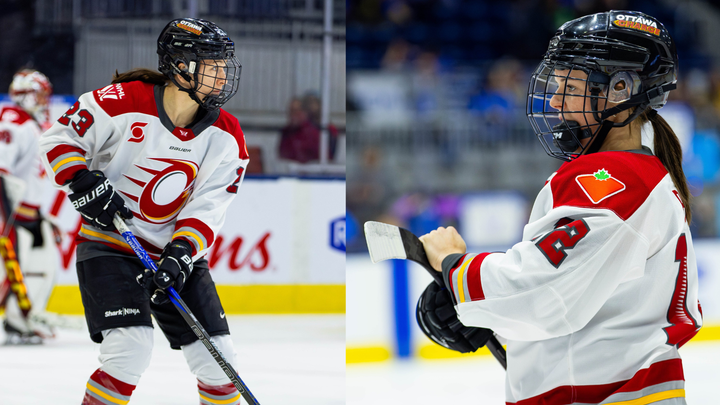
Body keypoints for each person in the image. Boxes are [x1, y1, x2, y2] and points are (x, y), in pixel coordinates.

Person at [416, 10, 702, 405]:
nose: (553, 98)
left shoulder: (615, 179)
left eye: (569, 85)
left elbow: (544, 294)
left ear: (621, 88)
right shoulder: (636, 175)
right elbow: (581, 313)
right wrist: (497, 328)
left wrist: (455, 267)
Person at [38, 18, 249, 404]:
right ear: (181, 65)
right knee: (130, 348)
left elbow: (207, 209)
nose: (222, 76)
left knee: (220, 363)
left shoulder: (228, 137)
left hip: (174, 258)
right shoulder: (122, 101)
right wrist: (84, 182)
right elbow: (58, 139)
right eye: (213, 65)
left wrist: (182, 255)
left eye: (223, 65)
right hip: (110, 245)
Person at [0, 68, 58, 344]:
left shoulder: (32, 125)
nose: (43, 102)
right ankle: (17, 319)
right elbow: (2, 171)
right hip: (13, 215)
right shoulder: (14, 120)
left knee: (40, 268)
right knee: (11, 269)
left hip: (29, 214)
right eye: (38, 95)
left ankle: (20, 319)